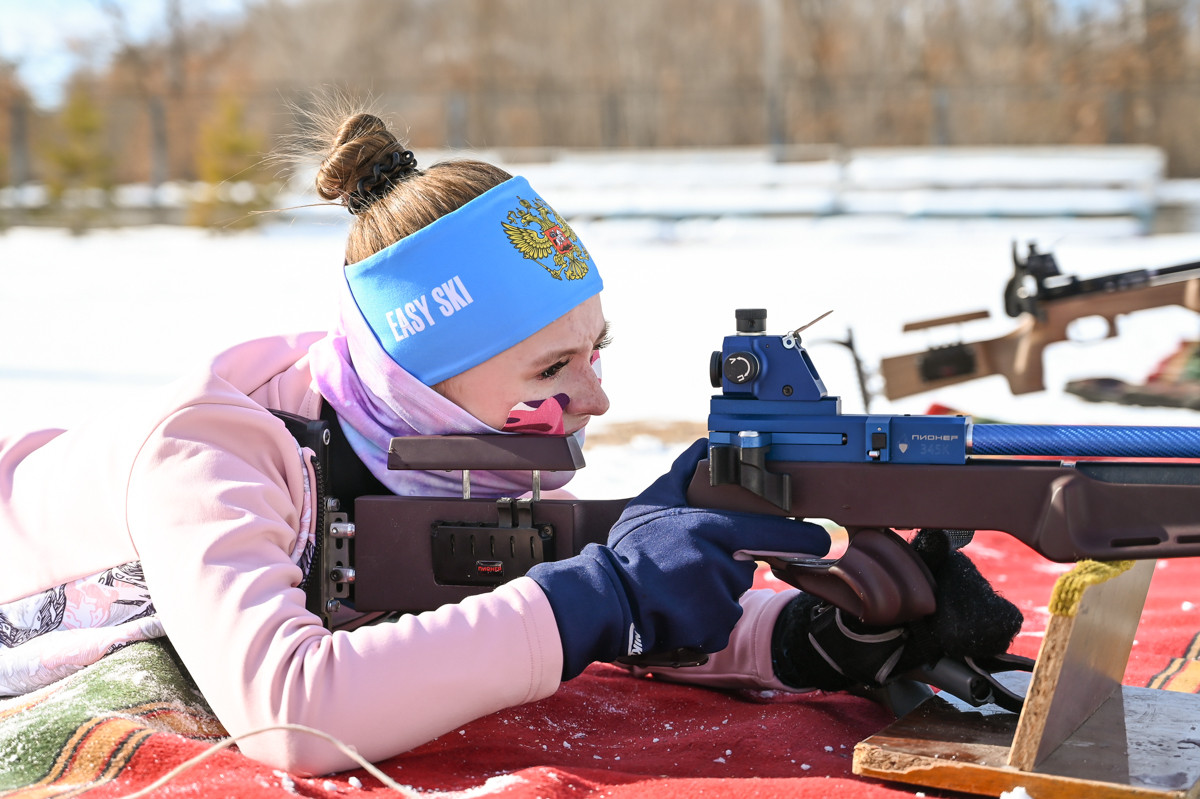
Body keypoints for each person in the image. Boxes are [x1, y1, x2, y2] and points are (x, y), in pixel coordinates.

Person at [0, 106, 1022, 776]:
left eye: (593, 352)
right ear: (418, 371)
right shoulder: (214, 449)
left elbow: (518, 611)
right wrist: (601, 594)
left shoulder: (434, 448)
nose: (596, 398)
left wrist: (813, 636)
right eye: (550, 371)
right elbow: (289, 709)